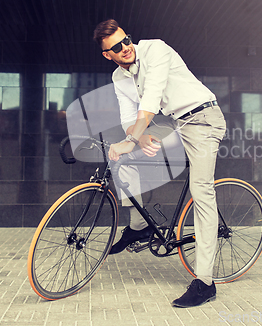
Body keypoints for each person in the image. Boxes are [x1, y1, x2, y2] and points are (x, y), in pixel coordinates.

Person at [93, 19, 226, 308]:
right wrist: (135, 139)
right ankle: (140, 225)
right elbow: (129, 117)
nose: (125, 47)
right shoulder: (120, 78)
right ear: (107, 55)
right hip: (174, 122)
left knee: (201, 190)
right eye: (116, 47)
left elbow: (151, 96)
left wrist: (134, 136)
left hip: (203, 119)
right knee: (121, 159)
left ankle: (205, 282)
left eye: (126, 39)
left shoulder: (155, 50)